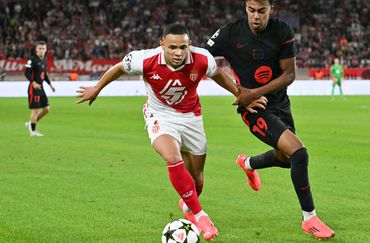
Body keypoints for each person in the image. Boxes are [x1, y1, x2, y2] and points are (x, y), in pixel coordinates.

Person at [76, 23, 266, 241]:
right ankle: (200, 215)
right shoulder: (144, 59)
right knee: (172, 156)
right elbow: (118, 67)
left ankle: (188, 206)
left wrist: (241, 94)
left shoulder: (202, 58)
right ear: (162, 44)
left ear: (189, 45)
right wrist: (97, 88)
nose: (178, 53)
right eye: (173, 47)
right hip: (160, 116)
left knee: (197, 181)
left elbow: (218, 75)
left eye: (183, 47)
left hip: (192, 118)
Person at [205, 0, 335, 239]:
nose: (256, 16)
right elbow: (202, 59)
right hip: (252, 109)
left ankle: (248, 164)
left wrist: (252, 92)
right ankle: (310, 218)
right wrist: (239, 93)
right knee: (299, 153)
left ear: (270, 8)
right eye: (251, 10)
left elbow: (289, 75)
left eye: (261, 11)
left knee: (287, 159)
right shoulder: (229, 33)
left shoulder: (282, 31)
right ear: (246, 8)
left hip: (279, 103)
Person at [24, 41, 55, 137]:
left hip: (41, 89)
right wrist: (33, 83)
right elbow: (27, 73)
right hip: (33, 89)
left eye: (43, 49)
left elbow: (44, 74)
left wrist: (50, 84)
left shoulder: (43, 61)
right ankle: (33, 131)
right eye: (40, 48)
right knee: (35, 110)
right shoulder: (32, 60)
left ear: (46, 50)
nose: (41, 50)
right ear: (36, 49)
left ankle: (31, 123)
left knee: (46, 109)